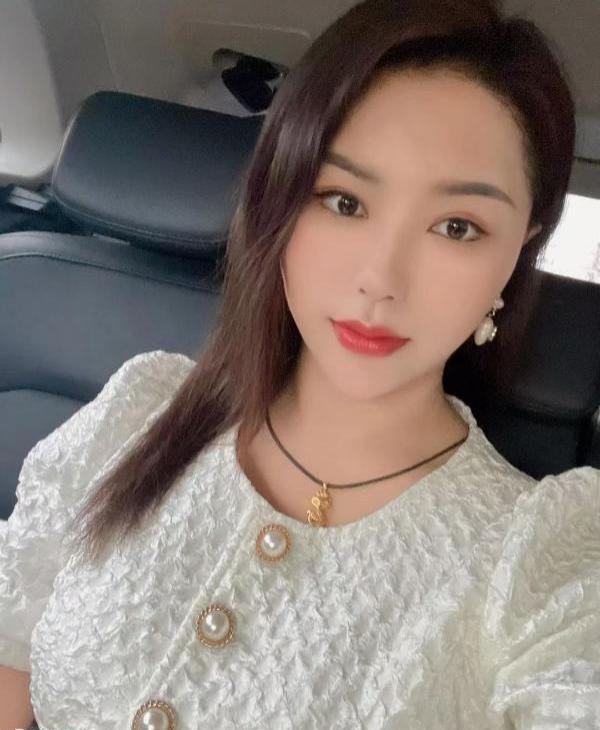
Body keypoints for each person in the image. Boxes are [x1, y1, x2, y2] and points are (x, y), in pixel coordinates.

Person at [2, 0, 599, 728]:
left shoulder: (542, 563)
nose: (380, 280)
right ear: (280, 199)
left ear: (519, 249)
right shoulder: (141, 412)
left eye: (456, 226)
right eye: (344, 201)